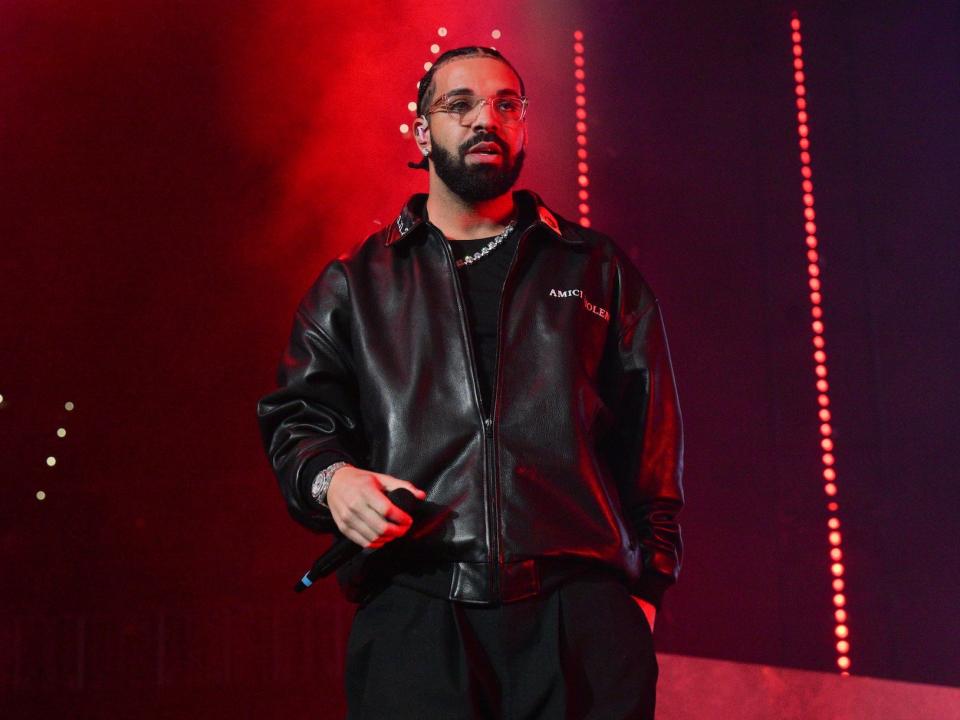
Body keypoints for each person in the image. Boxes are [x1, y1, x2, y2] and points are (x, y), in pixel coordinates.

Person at [256, 45, 684, 720]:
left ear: (523, 125)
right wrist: (332, 481)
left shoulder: (599, 269)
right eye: (460, 105)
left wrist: (645, 592)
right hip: (417, 612)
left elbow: (651, 442)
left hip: (581, 614)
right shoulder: (357, 285)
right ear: (422, 132)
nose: (485, 119)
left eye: (505, 105)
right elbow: (295, 420)